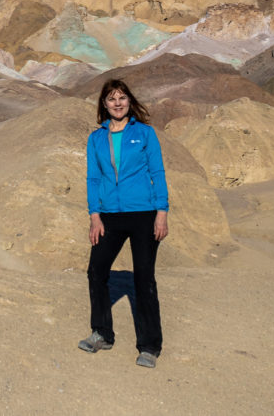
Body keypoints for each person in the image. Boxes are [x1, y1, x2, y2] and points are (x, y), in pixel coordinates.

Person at [78, 79, 169, 369]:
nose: (117, 103)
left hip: (143, 213)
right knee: (96, 271)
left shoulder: (144, 133)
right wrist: (95, 215)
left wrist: (162, 212)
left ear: (129, 101)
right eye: (111, 99)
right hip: (109, 215)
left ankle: (150, 346)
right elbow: (93, 178)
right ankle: (102, 333)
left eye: (122, 98)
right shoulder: (96, 138)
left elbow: (157, 171)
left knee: (144, 279)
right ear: (103, 105)